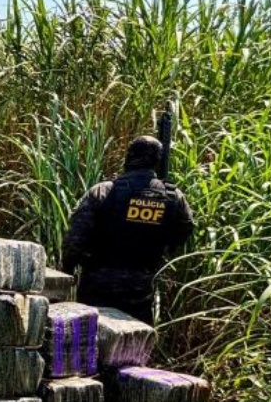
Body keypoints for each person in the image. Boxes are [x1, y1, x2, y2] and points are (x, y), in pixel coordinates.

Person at [60, 135, 194, 324]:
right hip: (141, 287)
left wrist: (68, 268)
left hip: (98, 284)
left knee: (90, 343)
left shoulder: (103, 192)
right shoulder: (173, 196)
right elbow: (185, 228)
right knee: (134, 345)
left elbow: (75, 239)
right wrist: (163, 249)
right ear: (157, 161)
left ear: (129, 157)